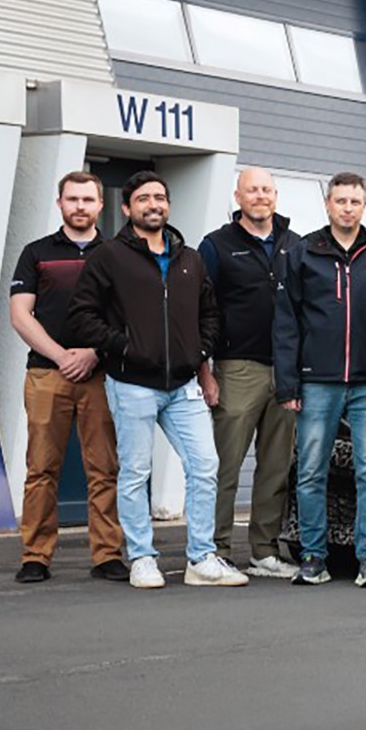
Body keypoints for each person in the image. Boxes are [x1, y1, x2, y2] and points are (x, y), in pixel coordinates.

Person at [66, 171, 242, 589]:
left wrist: (199, 353)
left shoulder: (190, 258)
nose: (153, 205)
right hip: (132, 384)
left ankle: (201, 558)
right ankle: (142, 557)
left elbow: (210, 314)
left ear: (168, 205)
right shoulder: (109, 257)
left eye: (160, 197)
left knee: (205, 465)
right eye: (143, 199)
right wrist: (124, 346)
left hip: (182, 387)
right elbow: (80, 315)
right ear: (127, 208)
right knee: (135, 472)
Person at [273, 172, 366, 589]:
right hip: (316, 382)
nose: (347, 208)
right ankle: (312, 557)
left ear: (364, 206)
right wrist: (287, 384)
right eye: (340, 200)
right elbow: (286, 322)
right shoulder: (303, 253)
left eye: (355, 201)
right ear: (327, 204)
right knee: (310, 472)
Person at [6, 171, 124, 583]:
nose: (80, 206)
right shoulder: (36, 252)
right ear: (59, 203)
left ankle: (107, 554)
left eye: (87, 199)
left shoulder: (117, 254)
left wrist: (93, 354)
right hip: (45, 375)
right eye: (72, 199)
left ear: (100, 205)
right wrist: (60, 356)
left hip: (101, 376)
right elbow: (20, 315)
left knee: (104, 468)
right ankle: (35, 555)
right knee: (41, 468)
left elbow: (127, 317)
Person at [198, 166, 297, 578]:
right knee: (225, 465)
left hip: (287, 371)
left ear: (275, 196)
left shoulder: (297, 244)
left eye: (267, 190)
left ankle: (263, 552)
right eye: (252, 190)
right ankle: (215, 549)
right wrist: (205, 371)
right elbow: (200, 310)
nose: (261, 196)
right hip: (237, 368)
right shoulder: (216, 246)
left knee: (275, 466)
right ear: (237, 197)